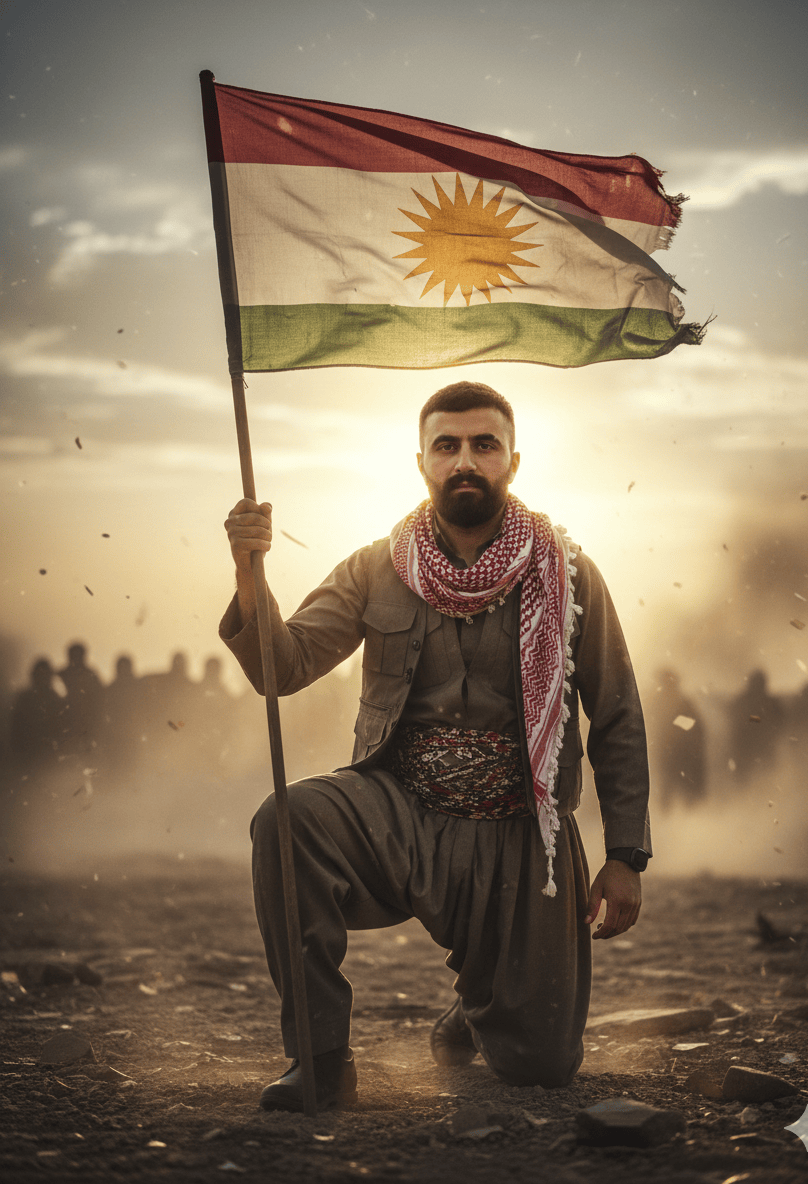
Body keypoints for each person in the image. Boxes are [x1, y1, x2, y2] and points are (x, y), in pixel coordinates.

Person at [221, 381, 651, 1112]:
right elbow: (280, 667)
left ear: (513, 459)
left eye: (484, 445)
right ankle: (320, 1059)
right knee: (286, 819)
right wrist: (249, 571)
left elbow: (614, 715)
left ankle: (478, 1012)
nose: (465, 461)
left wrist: (625, 856)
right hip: (398, 811)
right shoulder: (375, 566)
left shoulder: (569, 574)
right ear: (419, 460)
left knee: (542, 1068)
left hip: (524, 831)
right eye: (447, 446)